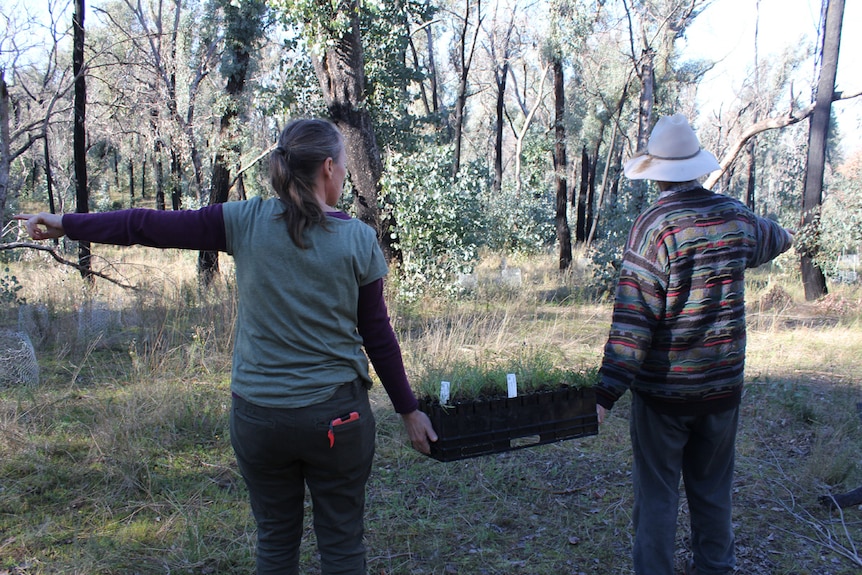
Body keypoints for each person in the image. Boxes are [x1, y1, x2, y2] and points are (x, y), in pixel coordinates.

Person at [16, 118, 438, 575]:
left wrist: (64, 223)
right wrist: (408, 410)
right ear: (328, 168)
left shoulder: (244, 220)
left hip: (258, 420)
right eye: (345, 168)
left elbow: (146, 225)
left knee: (275, 542)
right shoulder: (357, 238)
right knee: (341, 545)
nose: (345, 177)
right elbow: (377, 334)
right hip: (337, 420)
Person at [594, 114, 793, 575]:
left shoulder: (655, 226)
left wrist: (605, 393)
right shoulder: (735, 216)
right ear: (695, 166)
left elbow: (633, 323)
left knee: (658, 497)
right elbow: (779, 237)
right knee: (712, 494)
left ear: (657, 170)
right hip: (723, 390)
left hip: (664, 397)